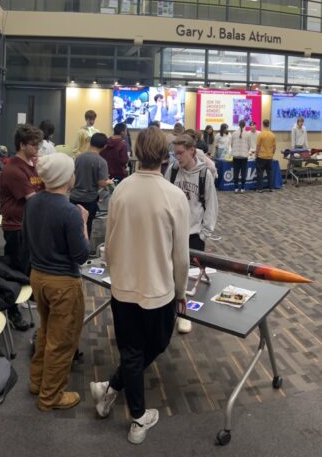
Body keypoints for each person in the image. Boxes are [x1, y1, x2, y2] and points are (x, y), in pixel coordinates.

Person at [89, 127, 189, 444]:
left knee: (134, 351)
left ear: (136, 153)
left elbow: (110, 240)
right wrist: (181, 292)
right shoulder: (175, 196)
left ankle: (110, 389)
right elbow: (182, 257)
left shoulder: (122, 190)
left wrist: (115, 271)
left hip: (124, 287)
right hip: (159, 290)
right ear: (165, 155)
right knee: (154, 345)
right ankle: (138, 417)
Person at [26, 152, 90, 412]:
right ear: (66, 177)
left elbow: (25, 238)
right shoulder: (69, 211)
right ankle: (50, 397)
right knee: (61, 341)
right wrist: (84, 224)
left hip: (38, 277)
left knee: (45, 331)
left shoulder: (32, 202)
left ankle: (36, 381)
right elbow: (81, 255)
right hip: (63, 283)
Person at [166, 134, 218, 335]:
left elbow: (211, 207)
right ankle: (170, 312)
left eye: (180, 153)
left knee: (187, 277)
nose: (177, 157)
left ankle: (184, 316)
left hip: (194, 233)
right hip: (172, 232)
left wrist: (205, 234)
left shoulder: (204, 175)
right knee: (170, 273)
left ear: (192, 151)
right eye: (174, 153)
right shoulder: (172, 171)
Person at [0, 124, 44, 284]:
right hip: (16, 226)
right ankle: (14, 303)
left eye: (38, 144)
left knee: (28, 264)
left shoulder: (31, 164)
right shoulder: (14, 169)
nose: (37, 148)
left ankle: (26, 293)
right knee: (17, 267)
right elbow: (34, 198)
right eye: (33, 144)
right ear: (22, 145)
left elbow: (41, 187)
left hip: (27, 223)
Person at [70, 132, 110, 240]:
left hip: (74, 197)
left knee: (72, 225)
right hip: (89, 199)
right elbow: (101, 182)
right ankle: (83, 252)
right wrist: (108, 182)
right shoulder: (101, 162)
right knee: (86, 227)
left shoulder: (79, 157)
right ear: (104, 146)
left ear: (90, 142)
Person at [229, 120, 253, 193]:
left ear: (238, 125)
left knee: (235, 172)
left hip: (236, 156)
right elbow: (249, 146)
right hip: (244, 157)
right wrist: (245, 151)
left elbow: (232, 144)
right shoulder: (248, 134)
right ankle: (242, 188)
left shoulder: (234, 133)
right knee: (243, 173)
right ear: (245, 125)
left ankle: (236, 188)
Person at [255, 119, 277, 193]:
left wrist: (256, 154)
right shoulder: (273, 135)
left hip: (261, 157)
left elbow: (258, 146)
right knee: (270, 173)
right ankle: (271, 188)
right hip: (269, 157)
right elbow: (274, 147)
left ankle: (260, 189)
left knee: (260, 173)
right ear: (269, 124)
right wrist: (272, 154)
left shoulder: (260, 134)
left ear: (263, 124)